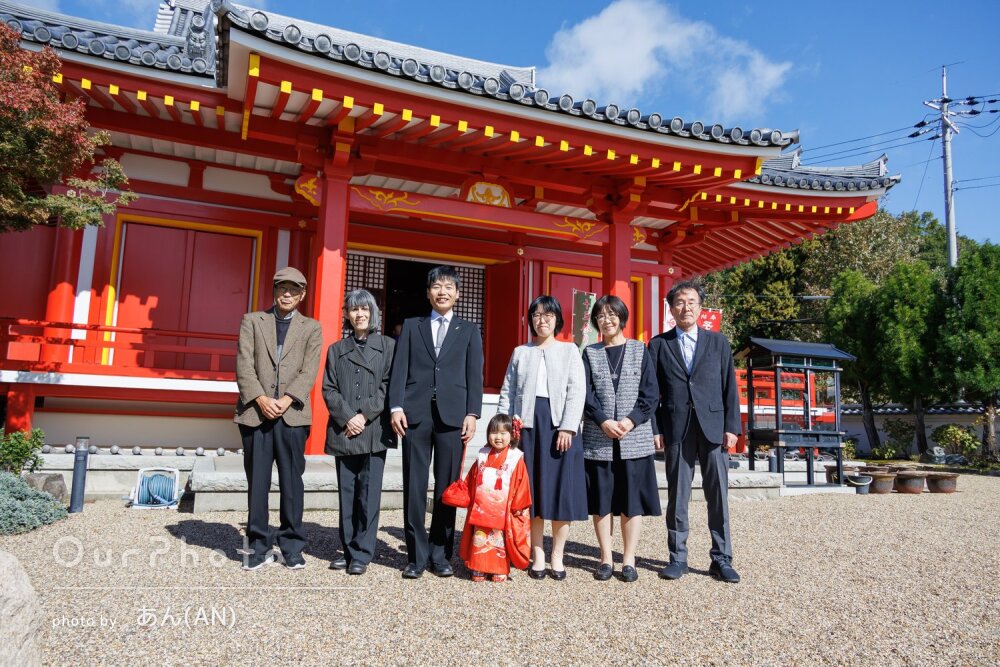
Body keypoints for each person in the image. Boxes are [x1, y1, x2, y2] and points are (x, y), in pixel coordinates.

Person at [389, 265, 484, 579]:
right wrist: (396, 407)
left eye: (448, 287)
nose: (442, 292)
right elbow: (399, 370)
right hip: (415, 415)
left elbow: (474, 375)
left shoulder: (469, 331)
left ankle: (440, 553)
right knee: (414, 485)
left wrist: (472, 413)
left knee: (448, 487)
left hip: (453, 416)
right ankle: (416, 556)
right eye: (437, 286)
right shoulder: (412, 327)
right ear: (428, 292)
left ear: (458, 293)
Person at [649, 279, 742, 584]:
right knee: (678, 495)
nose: (685, 307)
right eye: (679, 302)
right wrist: (655, 428)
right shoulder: (659, 344)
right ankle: (678, 558)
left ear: (701, 307)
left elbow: (730, 387)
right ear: (670, 308)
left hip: (713, 426)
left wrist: (732, 427)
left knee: (718, 495)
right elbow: (652, 392)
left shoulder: (718, 343)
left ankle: (722, 558)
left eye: (691, 302)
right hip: (676, 427)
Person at [234, 267, 323, 571]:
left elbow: (309, 369)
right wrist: (260, 398)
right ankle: (258, 545)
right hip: (256, 414)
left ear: (302, 295)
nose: (287, 293)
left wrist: (285, 400)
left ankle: (292, 545)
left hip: (292, 415)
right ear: (274, 290)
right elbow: (244, 364)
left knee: (291, 483)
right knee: (257, 483)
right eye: (282, 288)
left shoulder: (311, 328)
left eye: (294, 289)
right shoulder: (252, 321)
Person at [497, 295, 586, 580]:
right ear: (530, 320)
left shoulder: (570, 350)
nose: (542, 320)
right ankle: (537, 552)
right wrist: (504, 427)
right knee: (531, 492)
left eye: (548, 315)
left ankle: (557, 554)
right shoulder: (520, 351)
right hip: (527, 427)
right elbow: (507, 392)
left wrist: (569, 426)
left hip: (559, 426)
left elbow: (577, 391)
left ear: (557, 319)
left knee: (561, 491)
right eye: (536, 315)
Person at [581, 295, 661, 583]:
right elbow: (585, 393)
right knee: (602, 500)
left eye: (612, 314)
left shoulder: (640, 350)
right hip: (598, 437)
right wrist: (602, 419)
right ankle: (605, 557)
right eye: (601, 315)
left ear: (622, 317)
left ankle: (628, 559)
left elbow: (650, 394)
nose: (607, 319)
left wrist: (630, 420)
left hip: (634, 438)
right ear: (595, 321)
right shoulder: (589, 353)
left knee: (631, 500)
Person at [322, 289, 396, 575]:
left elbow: (388, 385)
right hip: (345, 430)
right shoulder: (336, 349)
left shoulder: (388, 346)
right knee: (347, 492)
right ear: (347, 315)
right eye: (354, 310)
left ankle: (363, 552)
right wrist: (347, 417)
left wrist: (364, 415)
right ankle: (348, 548)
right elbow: (329, 388)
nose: (360, 314)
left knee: (369, 494)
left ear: (373, 313)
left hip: (373, 429)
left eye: (365, 309)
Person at [458, 413, 531, 582]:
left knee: (499, 540)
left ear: (512, 435)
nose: (498, 437)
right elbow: (472, 477)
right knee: (480, 536)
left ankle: (499, 568)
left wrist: (518, 505)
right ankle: (478, 567)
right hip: (482, 506)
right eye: (494, 433)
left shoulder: (515, 457)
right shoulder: (483, 454)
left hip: (503, 506)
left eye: (503, 433)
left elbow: (522, 482)